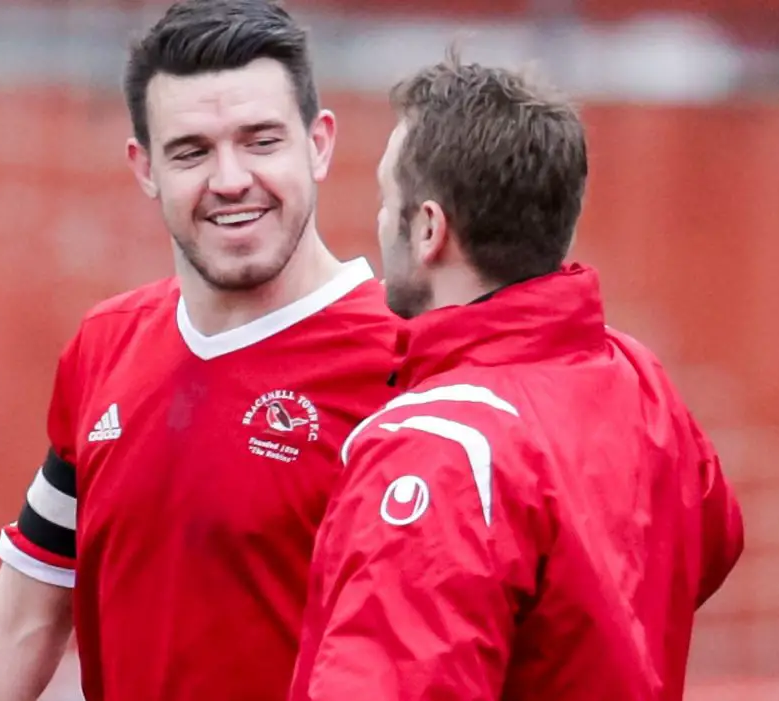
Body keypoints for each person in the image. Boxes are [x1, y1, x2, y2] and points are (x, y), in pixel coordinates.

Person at [0, 1, 401, 700]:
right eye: (192, 150)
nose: (230, 179)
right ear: (144, 166)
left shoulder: (409, 363)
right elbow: (17, 619)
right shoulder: (104, 347)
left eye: (260, 140)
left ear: (318, 144)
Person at [288, 52, 744, 701]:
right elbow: (711, 542)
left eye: (387, 199)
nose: (377, 221)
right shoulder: (636, 378)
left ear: (426, 229)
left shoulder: (433, 447)